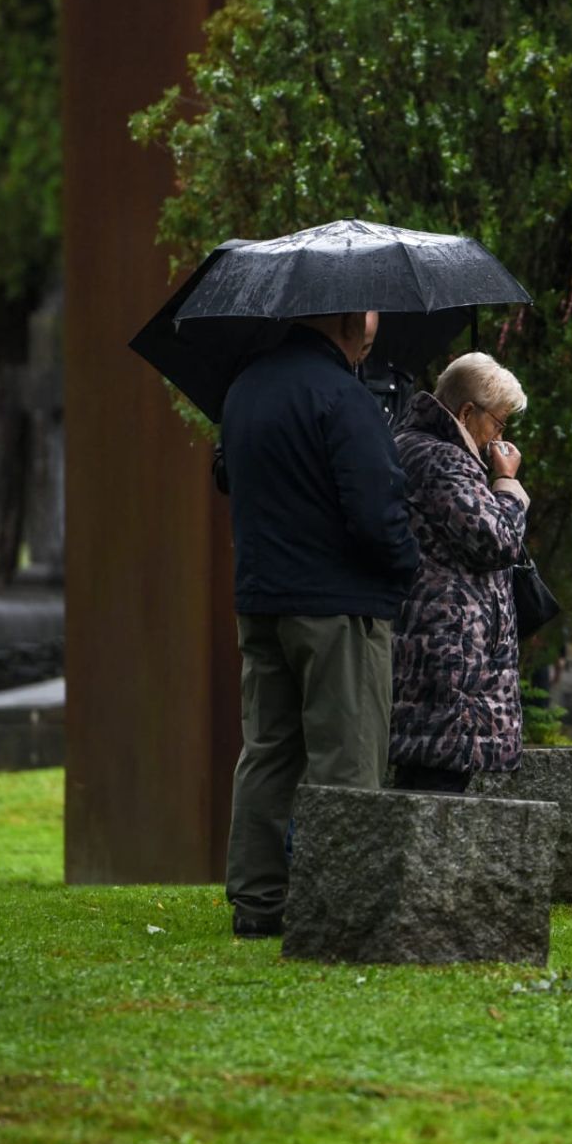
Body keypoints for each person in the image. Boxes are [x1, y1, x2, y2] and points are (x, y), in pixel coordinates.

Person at [221, 311, 420, 938]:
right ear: (344, 319)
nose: (375, 329)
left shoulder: (244, 388)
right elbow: (375, 513)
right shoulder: (344, 397)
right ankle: (342, 908)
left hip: (262, 598)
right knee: (348, 757)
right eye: (370, 317)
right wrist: (406, 564)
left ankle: (259, 901)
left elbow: (226, 474)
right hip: (338, 606)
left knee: (268, 752)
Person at [388, 353, 532, 792]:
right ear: (468, 413)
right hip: (449, 653)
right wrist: (508, 486)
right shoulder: (443, 460)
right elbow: (497, 542)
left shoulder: (411, 445)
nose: (499, 437)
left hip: (435, 645)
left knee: (427, 782)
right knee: (436, 786)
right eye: (499, 423)